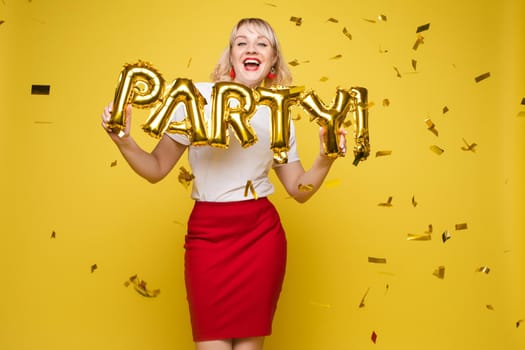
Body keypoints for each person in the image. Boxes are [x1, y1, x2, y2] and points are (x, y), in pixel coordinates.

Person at [101, 17, 346, 350]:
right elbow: (157, 168)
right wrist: (124, 141)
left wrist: (325, 157)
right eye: (241, 42)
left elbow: (298, 189)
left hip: (261, 237)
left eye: (263, 43)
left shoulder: (278, 114)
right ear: (230, 56)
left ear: (273, 60)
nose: (251, 48)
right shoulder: (195, 98)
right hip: (208, 237)